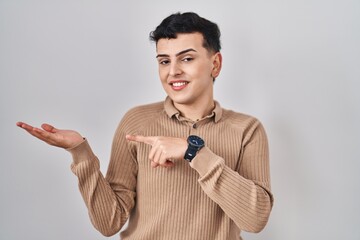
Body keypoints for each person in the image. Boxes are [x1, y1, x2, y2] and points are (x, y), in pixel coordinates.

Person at [16, 12, 273, 240]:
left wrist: (193, 152)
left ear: (215, 64)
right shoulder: (137, 121)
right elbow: (109, 223)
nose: (173, 71)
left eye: (186, 59)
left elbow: (255, 219)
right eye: (164, 61)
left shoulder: (246, 129)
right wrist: (80, 153)